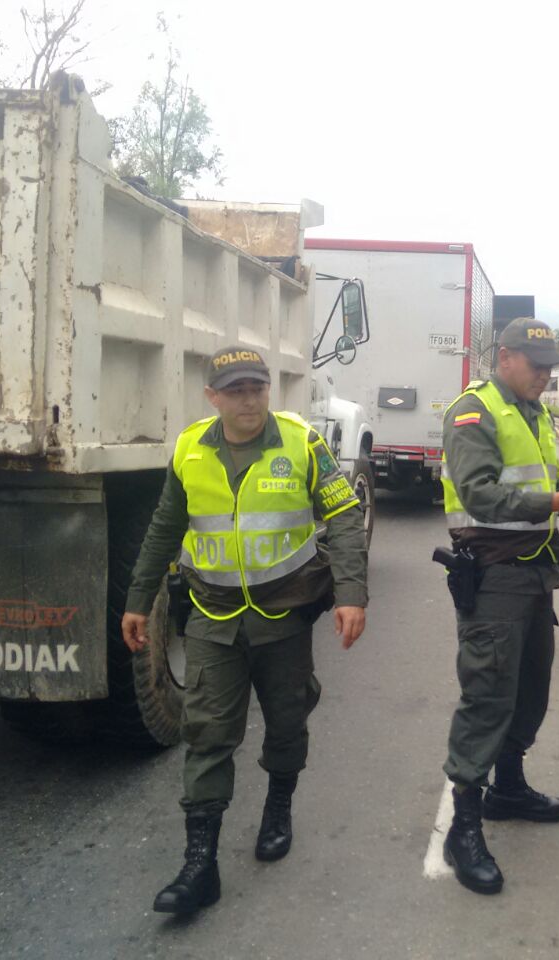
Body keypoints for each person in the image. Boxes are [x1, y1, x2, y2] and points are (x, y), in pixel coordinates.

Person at [121, 345, 368, 917]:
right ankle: (200, 864)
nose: (249, 399)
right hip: (212, 614)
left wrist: (352, 593)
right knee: (207, 732)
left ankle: (278, 806)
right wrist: (139, 599)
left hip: (284, 614)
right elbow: (165, 526)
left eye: (257, 388)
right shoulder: (189, 448)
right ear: (213, 398)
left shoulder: (300, 443)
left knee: (286, 722)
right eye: (235, 390)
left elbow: (344, 515)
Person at [439, 318, 559, 895]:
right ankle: (462, 827)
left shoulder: (533, 412)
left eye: (550, 366)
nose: (546, 375)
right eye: (537, 365)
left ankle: (508, 787)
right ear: (505, 357)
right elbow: (481, 493)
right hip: (493, 577)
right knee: (488, 695)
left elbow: (543, 480)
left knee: (530, 689)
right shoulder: (474, 411)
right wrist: (558, 499)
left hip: (536, 571)